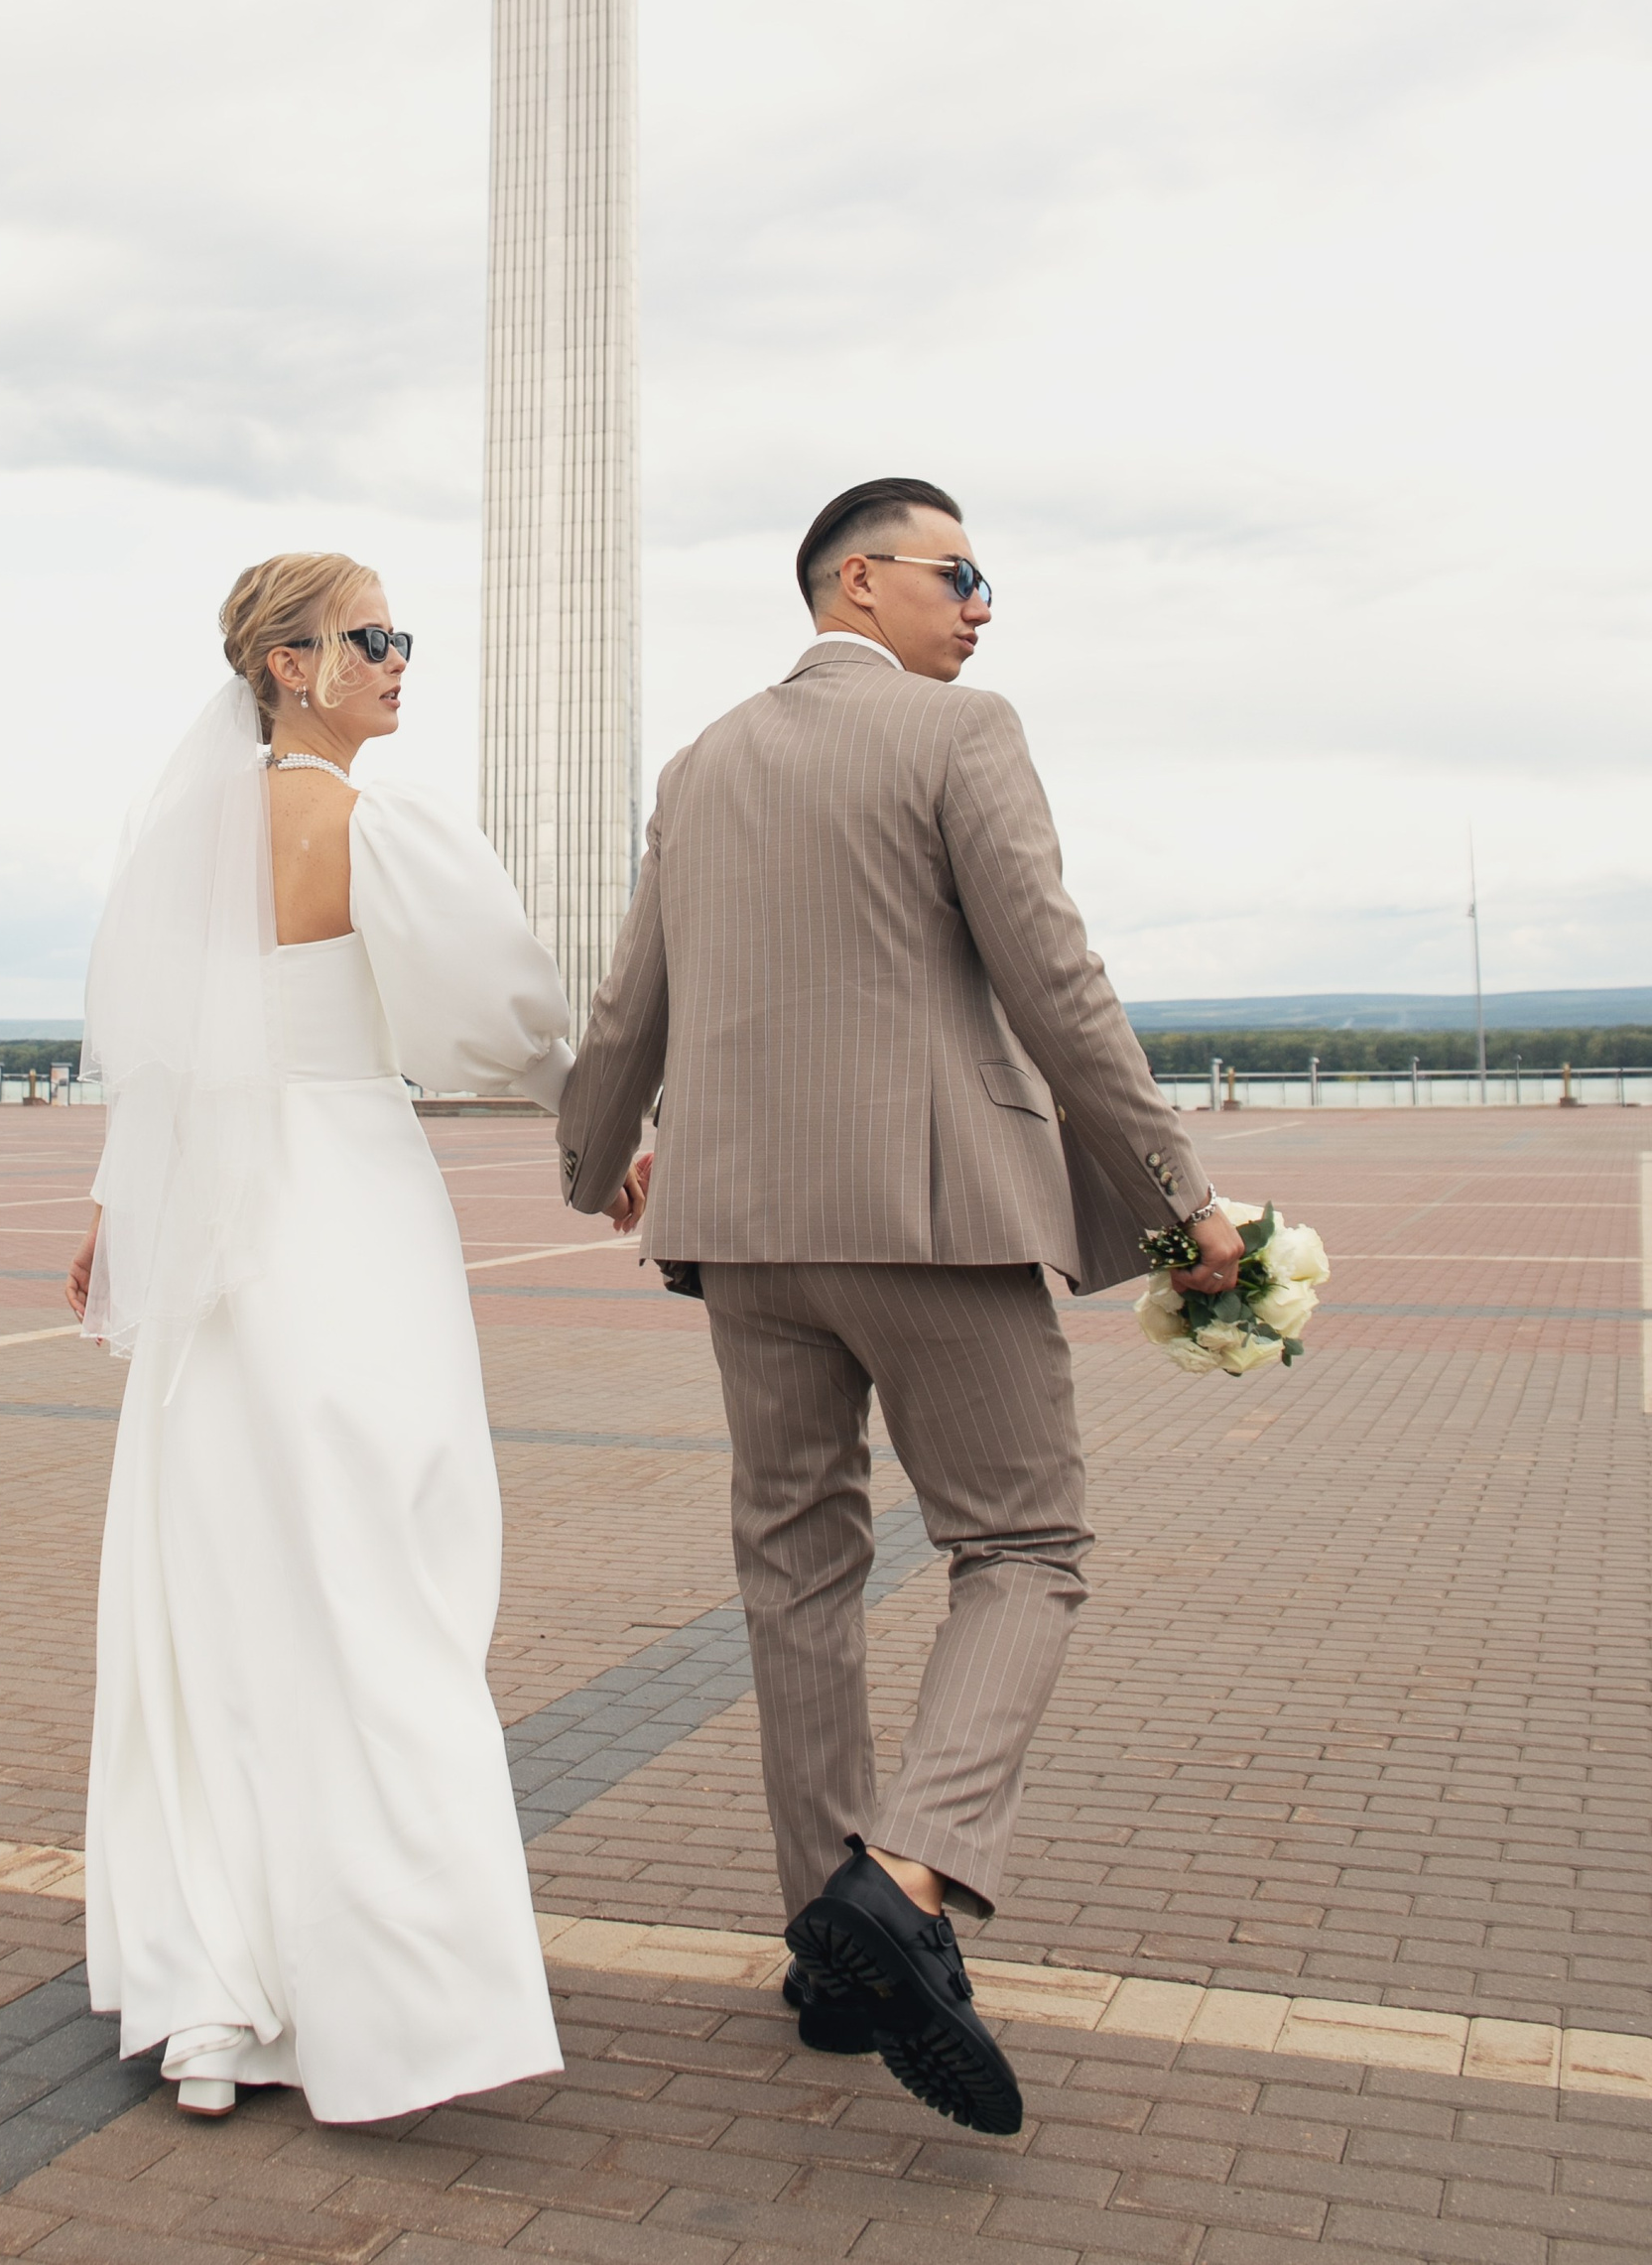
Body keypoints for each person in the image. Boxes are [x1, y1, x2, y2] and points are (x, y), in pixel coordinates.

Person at [558, 478, 1249, 2140]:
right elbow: (1055, 983)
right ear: (858, 583)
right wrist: (1182, 1199)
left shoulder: (702, 760)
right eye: (962, 574)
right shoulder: (964, 737)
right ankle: (903, 1879)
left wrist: (599, 1162)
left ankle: (830, 1955)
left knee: (797, 1563)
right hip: (936, 1221)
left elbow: (628, 995)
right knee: (1023, 1546)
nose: (986, 606)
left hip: (745, 1234)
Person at [66, 552, 571, 2122]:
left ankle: (213, 1986)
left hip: (217, 1233)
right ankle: (393, 1990)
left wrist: (110, 1213)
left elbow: (155, 1058)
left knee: (222, 1582)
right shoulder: (366, 827)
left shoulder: (184, 843)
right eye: (376, 637)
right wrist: (596, 1109)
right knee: (386, 1572)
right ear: (289, 666)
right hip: (346, 1207)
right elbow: (502, 1020)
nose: (401, 660)